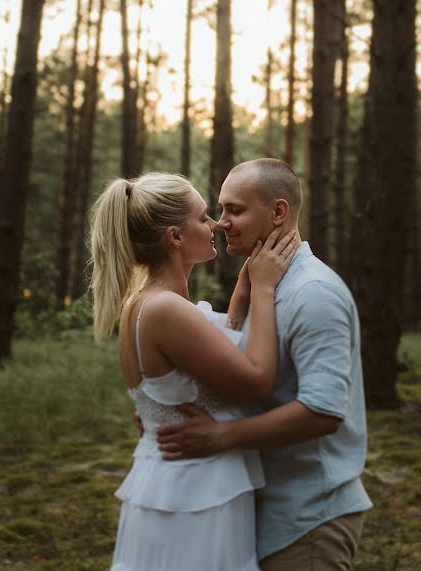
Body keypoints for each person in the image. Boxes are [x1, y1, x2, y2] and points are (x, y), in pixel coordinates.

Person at [156, 158, 373, 570]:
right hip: (264, 507)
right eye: (220, 211)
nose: (221, 223)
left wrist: (220, 437)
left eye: (234, 210)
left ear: (277, 212)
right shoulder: (265, 287)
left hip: (309, 519)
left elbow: (323, 411)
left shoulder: (313, 293)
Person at [89, 172, 298, 571]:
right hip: (195, 492)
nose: (217, 225)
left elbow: (203, 367)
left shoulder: (145, 303)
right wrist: (265, 289)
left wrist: (241, 295)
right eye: (203, 218)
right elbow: (255, 381)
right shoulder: (165, 310)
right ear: (175, 237)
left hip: (175, 482)